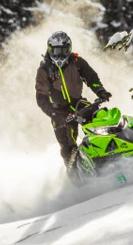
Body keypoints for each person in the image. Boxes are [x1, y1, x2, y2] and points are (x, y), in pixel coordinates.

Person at [35, 31, 112, 169]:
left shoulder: (76, 62)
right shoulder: (44, 70)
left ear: (69, 49)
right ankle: (76, 175)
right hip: (59, 113)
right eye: (57, 51)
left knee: (102, 120)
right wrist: (53, 114)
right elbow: (41, 97)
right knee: (67, 147)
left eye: (63, 51)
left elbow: (91, 78)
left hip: (78, 104)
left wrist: (100, 90)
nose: (60, 55)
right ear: (50, 50)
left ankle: (109, 153)